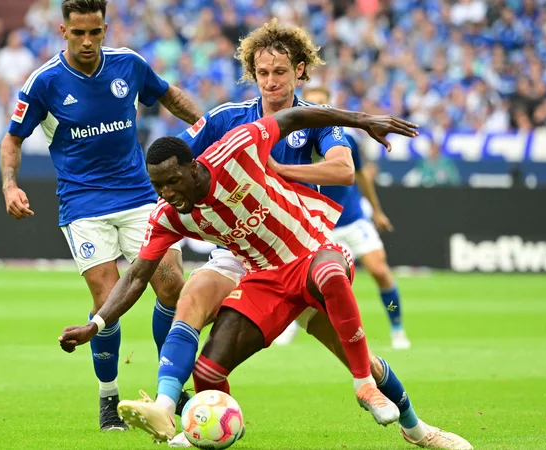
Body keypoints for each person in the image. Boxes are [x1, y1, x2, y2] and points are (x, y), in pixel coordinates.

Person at [59, 105, 414, 440]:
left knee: (336, 287)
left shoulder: (239, 145)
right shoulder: (168, 215)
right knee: (206, 364)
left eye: (172, 181)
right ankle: (171, 412)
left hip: (311, 251)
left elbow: (296, 117)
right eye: (158, 187)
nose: (166, 194)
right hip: (265, 277)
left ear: (193, 167)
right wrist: (96, 324)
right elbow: (137, 276)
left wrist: (364, 120)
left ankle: (395, 409)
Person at [0, 0, 203, 431]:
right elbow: (12, 139)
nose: (88, 42)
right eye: (79, 34)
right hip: (84, 204)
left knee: (171, 285)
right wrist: (10, 185)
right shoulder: (44, 83)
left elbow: (169, 96)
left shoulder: (129, 65)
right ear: (63, 30)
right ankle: (109, 398)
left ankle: (173, 386)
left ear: (105, 29)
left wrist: (206, 127)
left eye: (95, 32)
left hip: (141, 196)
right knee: (107, 301)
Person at [274, 85, 411, 349]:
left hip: (351, 218)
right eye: (310, 104)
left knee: (380, 271)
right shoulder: (291, 140)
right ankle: (292, 325)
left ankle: (397, 328)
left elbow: (359, 177)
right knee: (301, 281)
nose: (315, 109)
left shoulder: (344, 140)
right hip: (315, 224)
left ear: (329, 107)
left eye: (321, 104)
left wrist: (377, 211)